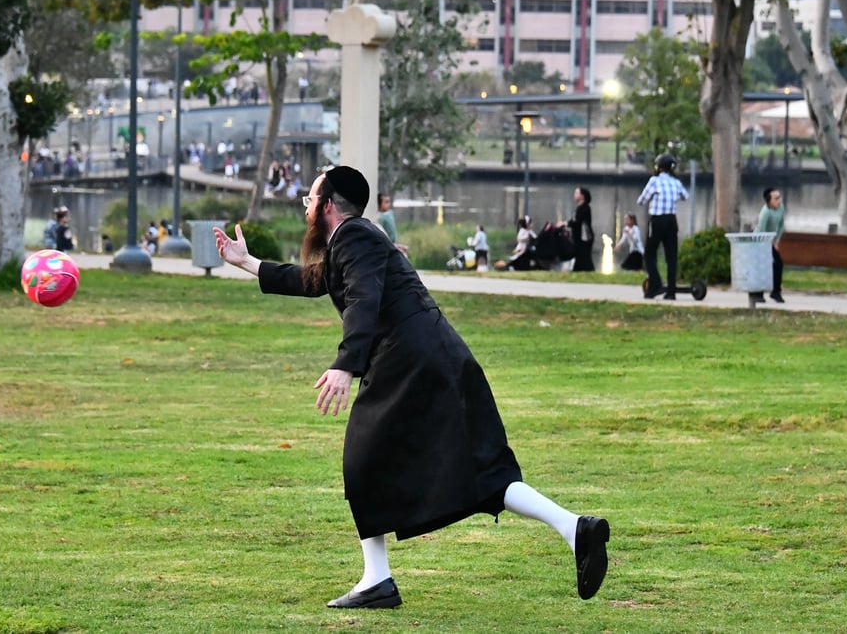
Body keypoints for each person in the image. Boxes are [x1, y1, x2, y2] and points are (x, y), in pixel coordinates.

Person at [212, 166, 609, 609]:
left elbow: (363, 299)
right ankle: (574, 527)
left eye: (310, 198)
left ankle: (377, 580)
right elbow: (312, 280)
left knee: (361, 459)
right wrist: (246, 262)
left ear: (327, 205)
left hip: (409, 357)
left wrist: (346, 365)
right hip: (435, 354)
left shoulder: (355, 238)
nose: (305, 205)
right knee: (483, 468)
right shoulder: (355, 239)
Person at [636, 153, 689, 299]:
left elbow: (642, 200)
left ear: (658, 167)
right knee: (671, 256)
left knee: (649, 254)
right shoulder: (676, 183)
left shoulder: (654, 181)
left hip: (657, 220)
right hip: (672, 221)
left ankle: (656, 283)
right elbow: (685, 196)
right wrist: (673, 198)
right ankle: (671, 292)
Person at [754, 187, 785, 303]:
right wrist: (767, 245)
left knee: (778, 264)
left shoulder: (781, 208)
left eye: (779, 198)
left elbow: (781, 225)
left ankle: (776, 292)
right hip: (759, 241)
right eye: (776, 198)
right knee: (763, 266)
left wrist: (776, 241)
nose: (779, 200)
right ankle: (758, 294)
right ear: (769, 201)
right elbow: (761, 230)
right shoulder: (765, 212)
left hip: (771, 240)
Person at [568, 187, 595, 272]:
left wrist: (567, 224)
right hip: (578, 237)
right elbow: (574, 220)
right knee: (580, 257)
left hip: (584, 237)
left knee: (584, 256)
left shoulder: (585, 207)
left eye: (576, 193)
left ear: (582, 196)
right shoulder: (579, 208)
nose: (574, 195)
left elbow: (578, 221)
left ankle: (588, 271)